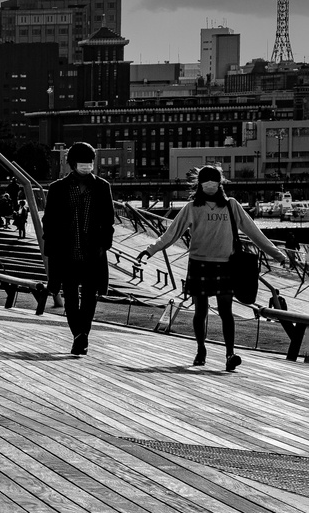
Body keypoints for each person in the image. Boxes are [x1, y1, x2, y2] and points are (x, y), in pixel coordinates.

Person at [137, 166, 286, 370]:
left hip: (225, 265)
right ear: (199, 183)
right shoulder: (191, 207)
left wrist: (277, 253)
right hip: (199, 263)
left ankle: (230, 354)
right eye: (206, 180)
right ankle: (200, 349)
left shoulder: (232, 206)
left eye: (213, 180)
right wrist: (150, 250)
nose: (209, 184)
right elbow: (171, 234)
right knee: (200, 312)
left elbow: (253, 231)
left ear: (220, 182)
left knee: (226, 311)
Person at [41, 142, 115, 355]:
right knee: (71, 297)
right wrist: (52, 246)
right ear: (72, 164)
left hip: (93, 252)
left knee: (90, 297)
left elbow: (108, 220)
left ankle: (83, 334)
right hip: (66, 252)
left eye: (89, 163)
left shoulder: (102, 187)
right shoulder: (57, 188)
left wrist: (104, 244)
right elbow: (49, 221)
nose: (86, 166)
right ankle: (79, 336)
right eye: (82, 163)